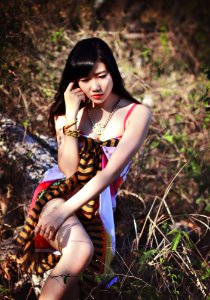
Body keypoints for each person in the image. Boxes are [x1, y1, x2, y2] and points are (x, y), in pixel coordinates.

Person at [16, 37, 151, 299]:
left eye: (101, 75)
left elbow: (110, 172)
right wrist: (70, 113)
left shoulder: (137, 113)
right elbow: (68, 170)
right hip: (58, 197)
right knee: (79, 250)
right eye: (85, 79)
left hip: (96, 207)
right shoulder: (70, 114)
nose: (95, 86)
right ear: (75, 82)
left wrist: (66, 210)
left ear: (113, 71)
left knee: (75, 289)